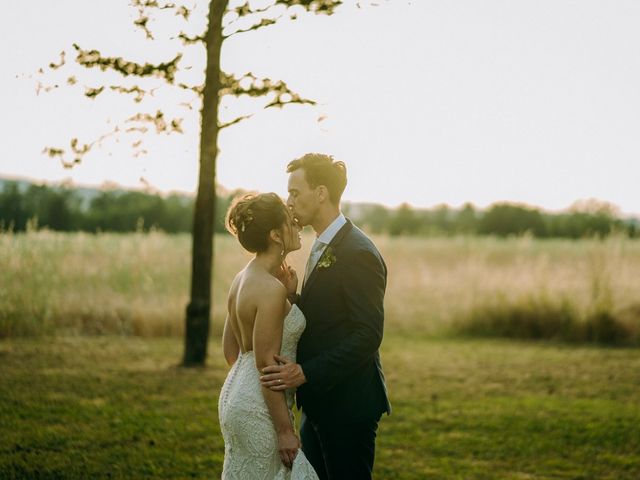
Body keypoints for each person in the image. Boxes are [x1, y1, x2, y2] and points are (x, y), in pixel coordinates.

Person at [260, 154, 391, 480]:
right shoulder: (323, 243)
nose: (288, 202)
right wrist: (295, 297)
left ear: (320, 193)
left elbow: (367, 334)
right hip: (321, 401)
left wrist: (305, 372)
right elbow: (332, 318)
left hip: (348, 405)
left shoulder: (357, 252)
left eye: (294, 192)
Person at [218, 192, 319, 480]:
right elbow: (266, 364)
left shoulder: (243, 278)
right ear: (276, 235)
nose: (297, 224)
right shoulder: (269, 289)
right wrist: (285, 430)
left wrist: (288, 297)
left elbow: (231, 351)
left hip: (235, 395)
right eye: (290, 222)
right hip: (259, 408)